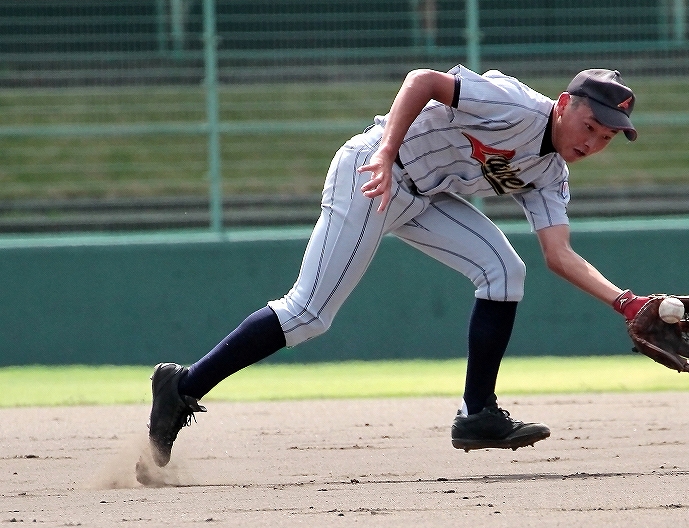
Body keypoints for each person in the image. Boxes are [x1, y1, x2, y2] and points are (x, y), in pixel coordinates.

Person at [147, 65, 654, 467]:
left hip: (423, 195)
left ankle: (477, 414)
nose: (592, 142)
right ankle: (182, 387)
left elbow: (559, 254)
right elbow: (424, 82)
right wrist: (387, 151)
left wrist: (626, 303)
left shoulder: (550, 173)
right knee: (308, 314)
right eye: (591, 126)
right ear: (565, 105)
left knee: (505, 270)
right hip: (373, 172)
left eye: (606, 138)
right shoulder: (516, 105)